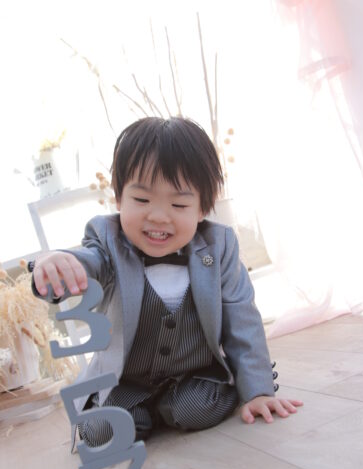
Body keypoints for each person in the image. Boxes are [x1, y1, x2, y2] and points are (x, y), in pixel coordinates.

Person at [31, 116, 303, 446]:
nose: (158, 216)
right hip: (126, 380)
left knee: (198, 410)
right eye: (141, 200)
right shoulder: (106, 239)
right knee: (102, 431)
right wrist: (55, 264)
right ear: (118, 199)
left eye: (178, 204)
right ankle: (137, 411)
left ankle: (185, 402)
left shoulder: (219, 246)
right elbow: (86, 262)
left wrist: (258, 391)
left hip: (192, 375)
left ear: (202, 208)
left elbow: (241, 317)